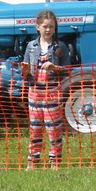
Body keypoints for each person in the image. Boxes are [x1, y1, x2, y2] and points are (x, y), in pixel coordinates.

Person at [21, 10, 70, 170]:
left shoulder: (60, 46)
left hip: (52, 93)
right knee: (35, 128)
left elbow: (67, 70)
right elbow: (25, 69)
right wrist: (25, 71)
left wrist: (54, 67)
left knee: (53, 128)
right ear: (37, 27)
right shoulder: (31, 46)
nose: (48, 30)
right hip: (34, 93)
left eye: (51, 27)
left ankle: (54, 161)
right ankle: (32, 161)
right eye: (45, 26)